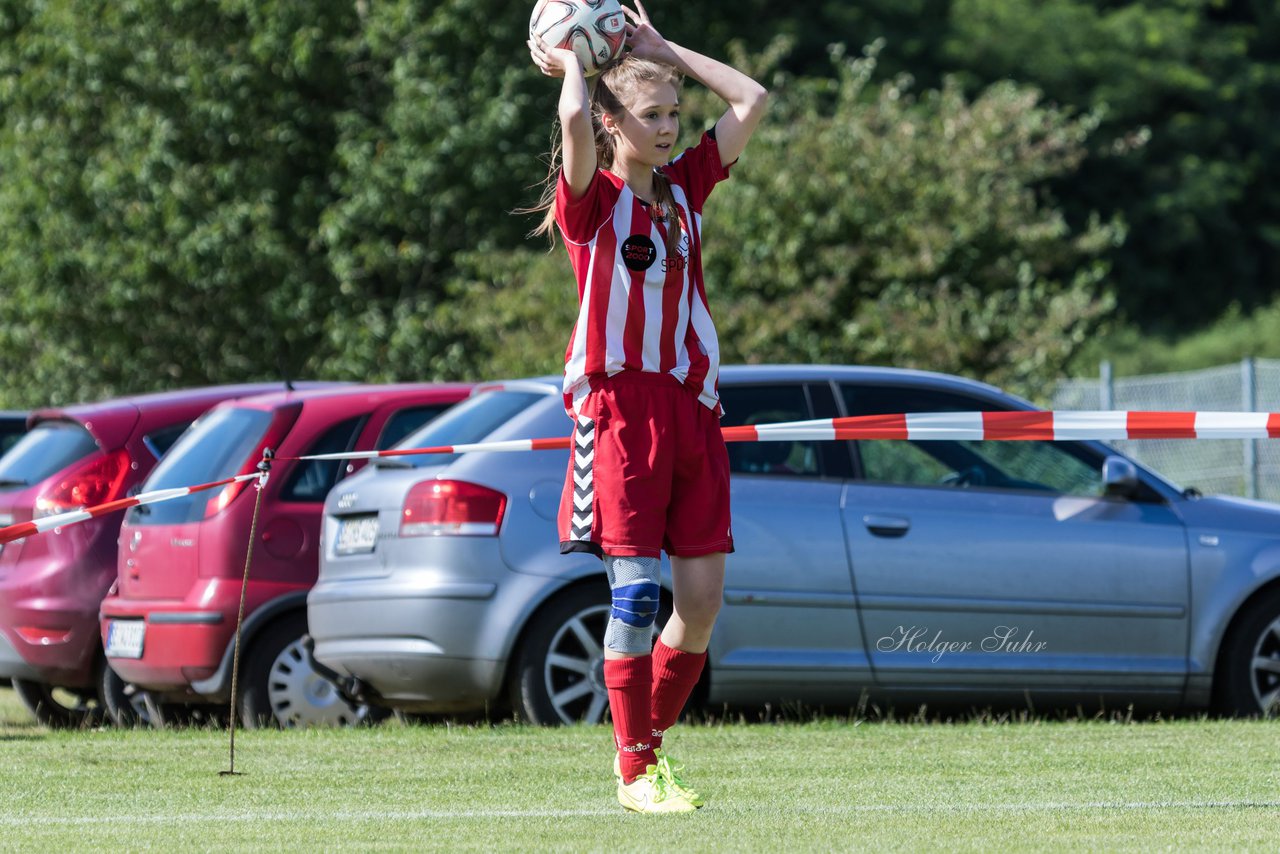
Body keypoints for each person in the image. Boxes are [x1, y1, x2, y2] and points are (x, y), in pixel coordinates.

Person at [528, 0, 768, 814]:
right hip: (621, 411)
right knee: (634, 596)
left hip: (695, 413)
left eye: (673, 114)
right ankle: (635, 773)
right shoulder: (592, 204)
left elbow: (753, 100)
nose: (667, 127)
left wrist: (665, 49)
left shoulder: (686, 189)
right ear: (611, 121)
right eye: (651, 114)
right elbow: (570, 131)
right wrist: (572, 68)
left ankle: (643, 754)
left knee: (698, 607)